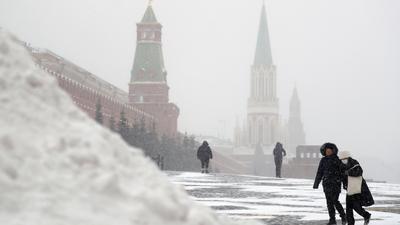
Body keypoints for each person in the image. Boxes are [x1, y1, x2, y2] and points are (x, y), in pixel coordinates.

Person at [313, 142, 347, 225]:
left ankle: (343, 216)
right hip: (326, 184)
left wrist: (345, 183)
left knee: (335, 201)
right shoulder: (323, 160)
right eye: (326, 151)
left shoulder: (338, 160)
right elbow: (319, 172)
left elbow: (343, 173)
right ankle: (332, 220)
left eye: (329, 151)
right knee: (329, 203)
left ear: (333, 151)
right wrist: (316, 183)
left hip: (336, 184)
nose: (328, 152)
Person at [338, 151, 373, 225]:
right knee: (348, 208)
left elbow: (359, 172)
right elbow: (342, 176)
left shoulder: (354, 162)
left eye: (344, 158)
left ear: (348, 157)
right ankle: (351, 223)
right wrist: (343, 183)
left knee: (355, 206)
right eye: (342, 159)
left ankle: (366, 215)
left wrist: (349, 173)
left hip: (357, 188)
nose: (343, 160)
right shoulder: (341, 165)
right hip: (349, 189)